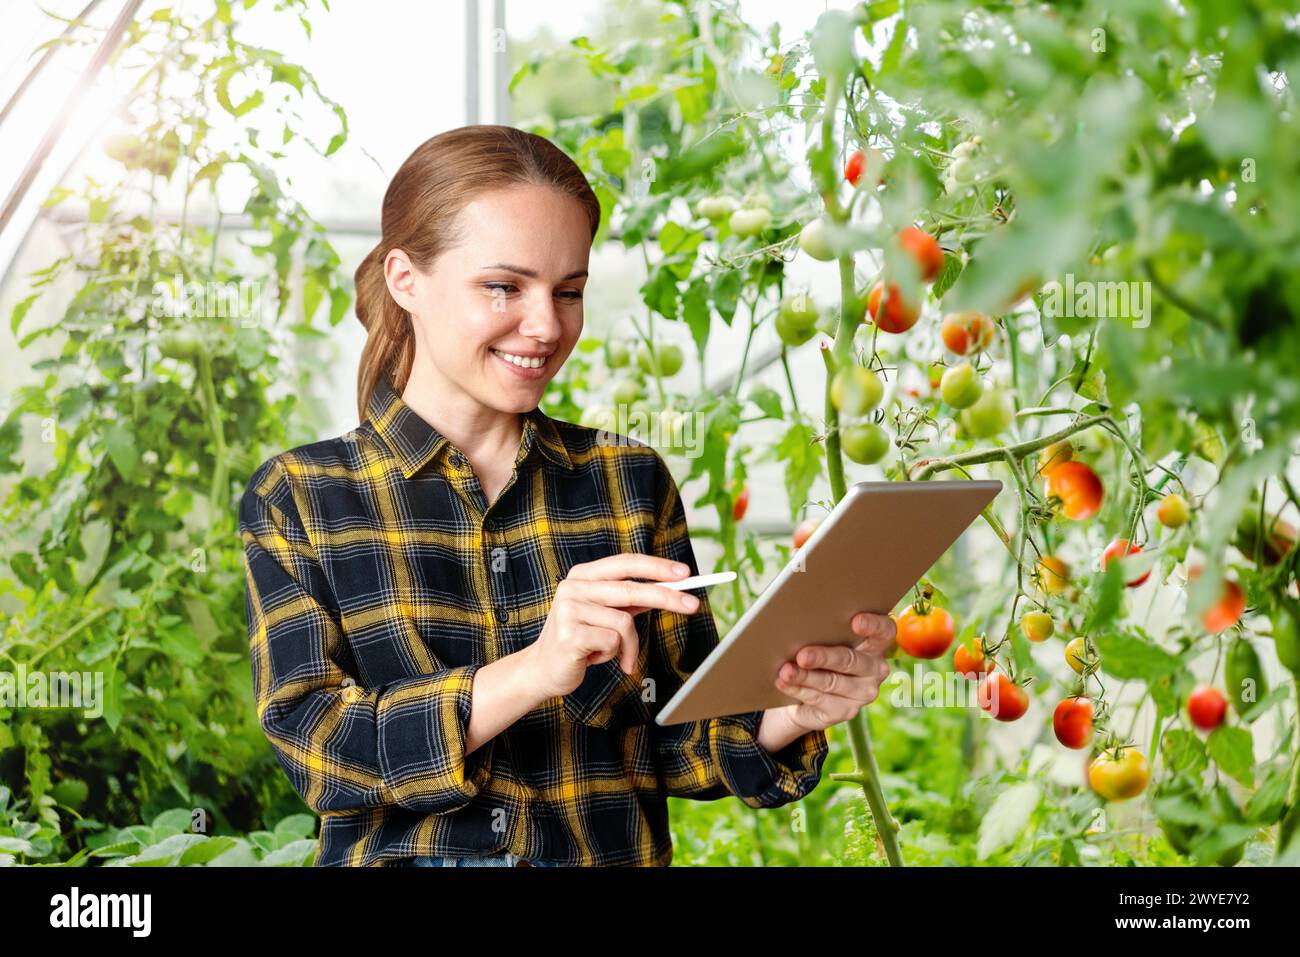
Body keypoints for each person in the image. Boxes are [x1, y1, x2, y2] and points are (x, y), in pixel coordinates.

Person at [237, 125, 895, 867]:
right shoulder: (301, 499)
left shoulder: (627, 483)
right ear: (405, 278)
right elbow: (321, 750)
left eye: (569, 291)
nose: (547, 326)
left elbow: (674, 739)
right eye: (504, 287)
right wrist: (534, 670)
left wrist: (786, 711)